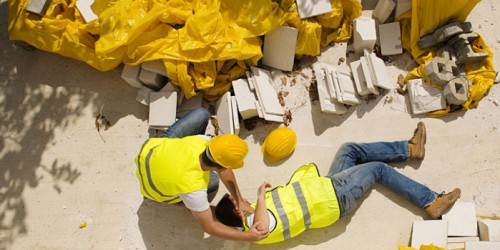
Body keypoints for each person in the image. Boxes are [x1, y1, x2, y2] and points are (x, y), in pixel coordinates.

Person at [215, 122, 461, 244]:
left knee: (349, 150)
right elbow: (263, 225)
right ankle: (430, 201)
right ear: (238, 211)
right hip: (335, 198)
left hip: (327, 187)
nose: (239, 197)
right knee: (377, 170)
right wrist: (258, 197)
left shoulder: (252, 219)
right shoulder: (256, 227)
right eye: (235, 199)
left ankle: (409, 149)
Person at [135, 107, 269, 241]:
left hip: (150, 151)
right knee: (213, 182)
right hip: (152, 189)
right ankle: (182, 203)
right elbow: (209, 227)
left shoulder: (200, 141)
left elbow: (223, 166)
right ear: (220, 166)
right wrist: (247, 236)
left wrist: (239, 199)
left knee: (201, 114)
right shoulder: (194, 187)